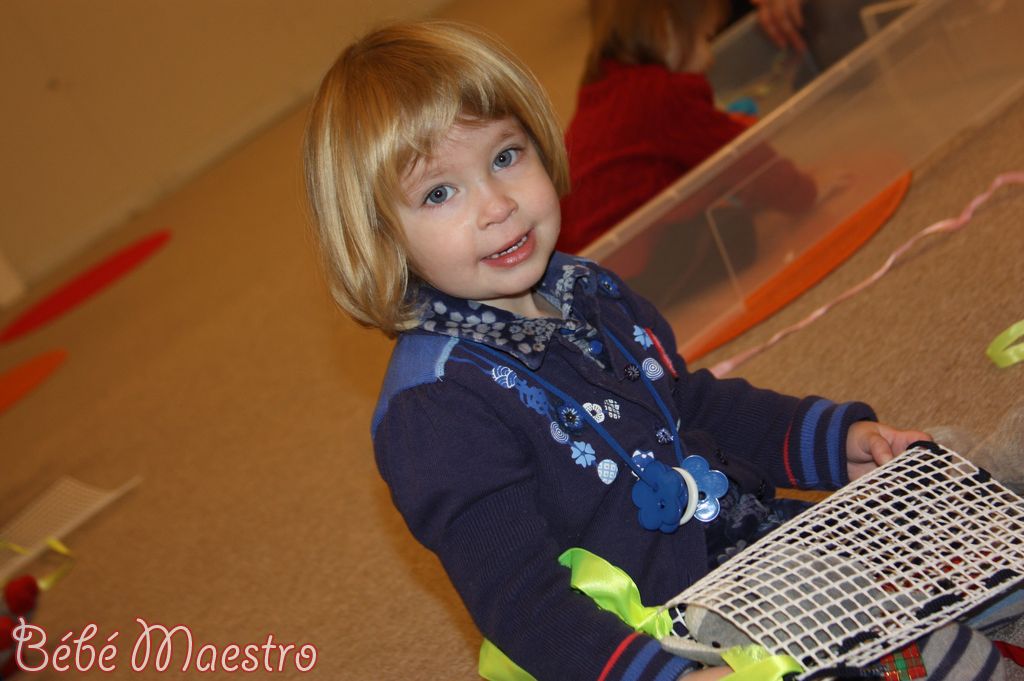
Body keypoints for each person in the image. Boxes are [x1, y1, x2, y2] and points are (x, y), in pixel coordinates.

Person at [303, 20, 1014, 681]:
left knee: (940, 482)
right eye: (439, 193)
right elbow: (521, 602)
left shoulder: (586, 288)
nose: (497, 204)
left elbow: (693, 408)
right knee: (898, 630)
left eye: (506, 156)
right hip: (671, 627)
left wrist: (835, 441)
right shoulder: (435, 410)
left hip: (751, 540)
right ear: (381, 241)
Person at [558, 0, 818, 256]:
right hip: (619, 260)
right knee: (733, 233)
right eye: (705, 38)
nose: (710, 57)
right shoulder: (664, 94)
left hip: (572, 255)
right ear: (667, 32)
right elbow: (744, 157)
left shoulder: (604, 84)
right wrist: (801, 193)